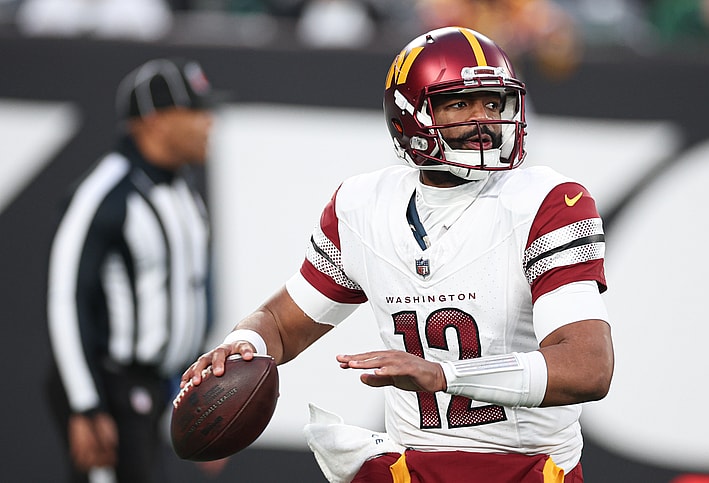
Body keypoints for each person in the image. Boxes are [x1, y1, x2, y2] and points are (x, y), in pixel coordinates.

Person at [181, 27, 614, 482]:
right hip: (415, 468)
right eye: (459, 103)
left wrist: (443, 375)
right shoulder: (362, 206)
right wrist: (241, 347)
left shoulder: (547, 201)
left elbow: (588, 367)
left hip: (528, 468)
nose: (483, 119)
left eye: (492, 102)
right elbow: (282, 325)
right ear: (410, 116)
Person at [46, 58, 221, 482]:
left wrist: (203, 402)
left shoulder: (184, 192)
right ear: (154, 121)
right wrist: (86, 406)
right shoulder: (104, 193)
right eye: (194, 112)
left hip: (156, 389)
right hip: (112, 388)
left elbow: (191, 297)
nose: (208, 124)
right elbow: (68, 300)